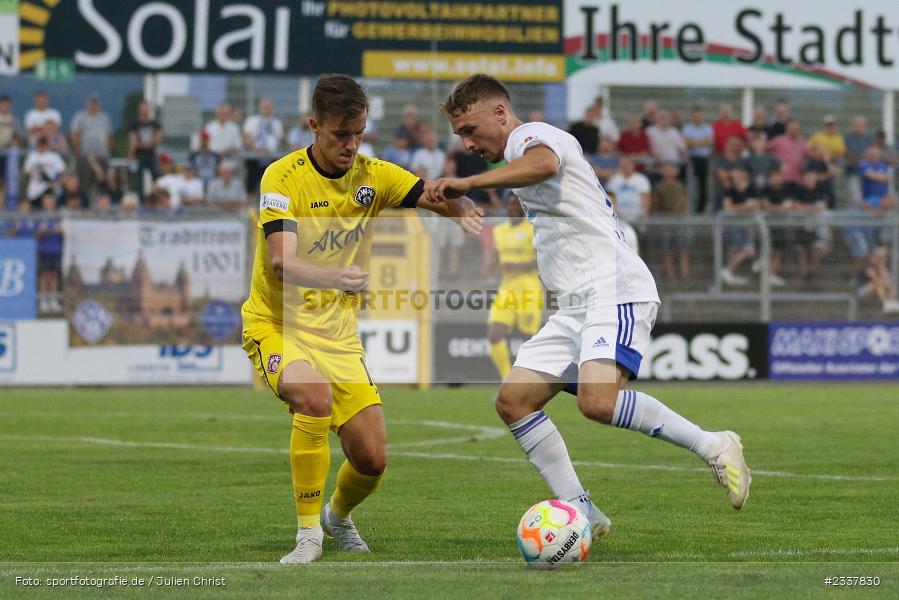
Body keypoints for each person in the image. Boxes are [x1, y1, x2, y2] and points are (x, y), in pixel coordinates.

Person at [426, 74, 751, 542]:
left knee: (596, 402)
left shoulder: (532, 138)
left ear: (500, 112)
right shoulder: (514, 154)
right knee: (514, 402)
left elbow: (543, 164)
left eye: (470, 129)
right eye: (459, 135)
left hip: (611, 289)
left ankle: (714, 445)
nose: (467, 142)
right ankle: (583, 512)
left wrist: (470, 183)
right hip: (574, 304)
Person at [241, 73, 478, 565]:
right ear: (313, 126)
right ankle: (308, 534)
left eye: (359, 134)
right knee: (313, 397)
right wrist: (335, 278)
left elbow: (431, 195)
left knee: (372, 460)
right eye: (340, 135)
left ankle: (337, 515)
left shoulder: (374, 175)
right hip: (277, 324)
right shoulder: (281, 179)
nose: (351, 145)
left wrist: (464, 210)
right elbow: (281, 260)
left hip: (338, 335)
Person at [487, 192, 542, 379]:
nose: (515, 207)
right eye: (512, 204)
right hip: (507, 289)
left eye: (519, 204)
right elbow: (497, 255)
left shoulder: (532, 228)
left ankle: (530, 381)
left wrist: (517, 266)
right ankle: (506, 379)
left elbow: (542, 259)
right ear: (506, 206)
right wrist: (489, 266)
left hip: (529, 288)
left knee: (528, 340)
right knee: (495, 334)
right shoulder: (499, 230)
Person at [70, 93, 113, 196]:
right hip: (85, 156)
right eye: (91, 103)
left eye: (95, 103)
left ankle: (103, 203)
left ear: (99, 104)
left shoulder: (104, 117)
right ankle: (83, 203)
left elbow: (109, 135)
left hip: (102, 155)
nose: (93, 105)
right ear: (87, 104)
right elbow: (75, 135)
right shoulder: (80, 117)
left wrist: (109, 150)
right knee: (84, 182)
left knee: (103, 182)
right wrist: (78, 152)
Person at [243, 98, 285, 197]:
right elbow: (246, 138)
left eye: (268, 107)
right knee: (251, 186)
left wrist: (273, 150)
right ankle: (249, 208)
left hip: (272, 159)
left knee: (272, 186)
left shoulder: (277, 123)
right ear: (259, 107)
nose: (266, 109)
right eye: (264, 107)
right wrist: (256, 149)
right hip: (255, 158)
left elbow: (281, 142)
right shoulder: (252, 121)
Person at [681, 106, 714, 213]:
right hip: (691, 159)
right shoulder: (687, 127)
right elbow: (686, 142)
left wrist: (693, 143)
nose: (697, 118)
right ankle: (687, 208)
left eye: (699, 116)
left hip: (703, 159)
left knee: (703, 185)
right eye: (695, 116)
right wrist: (701, 143)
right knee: (688, 184)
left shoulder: (708, 127)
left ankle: (700, 210)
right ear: (692, 117)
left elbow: (709, 142)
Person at [128, 101, 164, 199]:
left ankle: (157, 198)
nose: (144, 112)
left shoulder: (155, 123)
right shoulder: (135, 124)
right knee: (138, 180)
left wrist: (143, 144)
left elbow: (158, 138)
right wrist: (131, 155)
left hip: (152, 155)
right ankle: (140, 200)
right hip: (139, 156)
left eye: (146, 110)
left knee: (157, 177)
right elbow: (132, 141)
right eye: (142, 110)